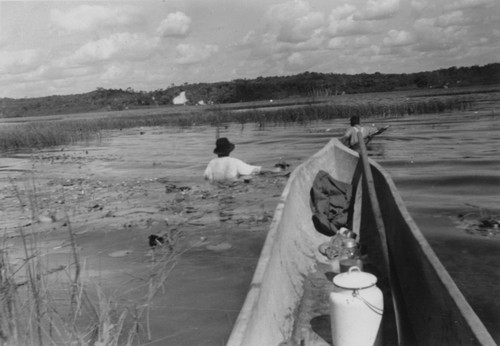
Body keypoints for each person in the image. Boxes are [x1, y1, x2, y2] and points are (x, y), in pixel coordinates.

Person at [204, 137, 281, 182]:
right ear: (229, 151)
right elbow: (257, 169)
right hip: (232, 187)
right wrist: (278, 169)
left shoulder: (211, 163)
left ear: (217, 152)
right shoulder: (234, 161)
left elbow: (205, 177)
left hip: (217, 189)